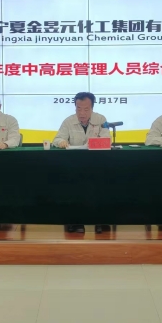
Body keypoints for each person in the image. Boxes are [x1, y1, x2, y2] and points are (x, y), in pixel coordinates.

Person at [53, 92, 111, 234]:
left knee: (102, 186)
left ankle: (100, 220)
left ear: (92, 108)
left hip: (96, 164)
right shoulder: (68, 121)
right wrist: (61, 142)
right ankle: (75, 221)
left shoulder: (101, 119)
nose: (82, 113)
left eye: (86, 109)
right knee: (71, 187)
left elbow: (106, 139)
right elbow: (57, 139)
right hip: (75, 165)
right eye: (78, 108)